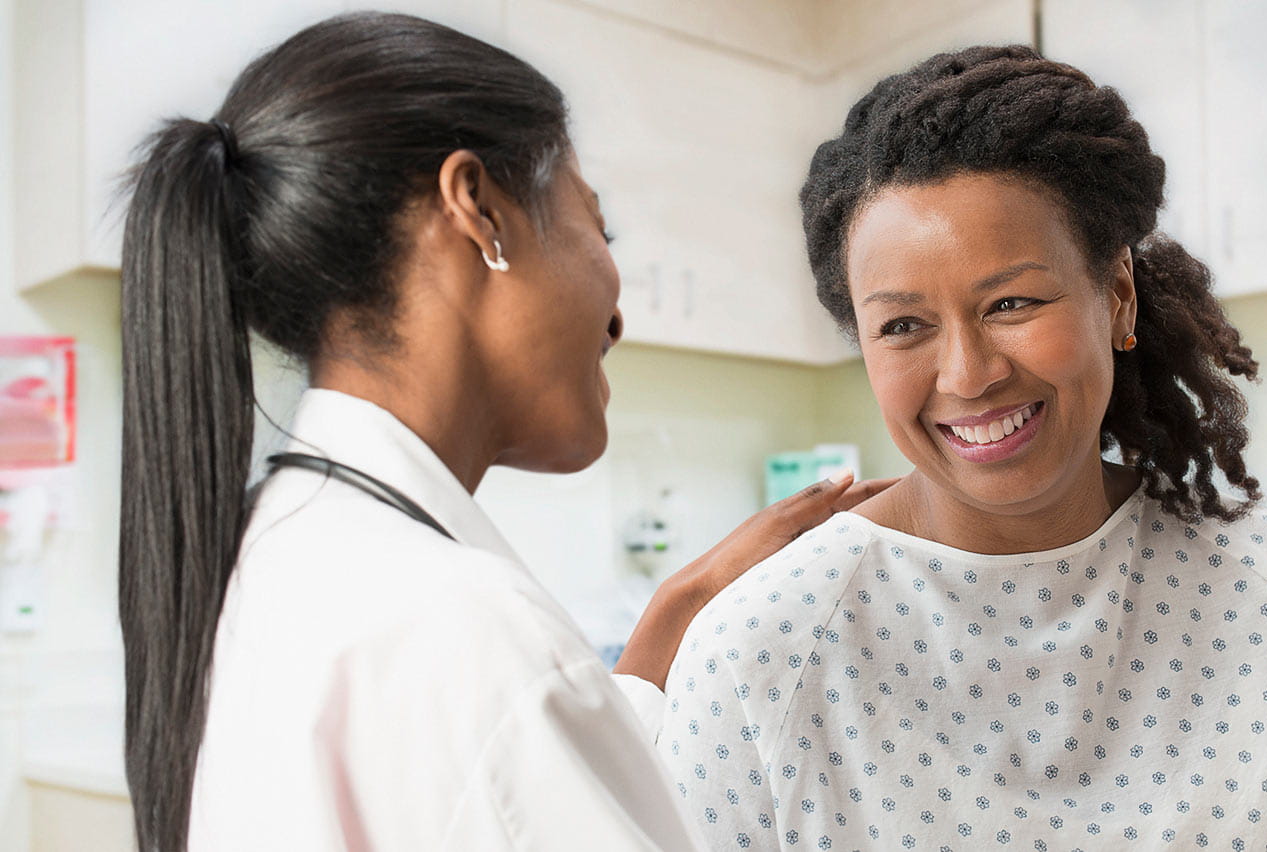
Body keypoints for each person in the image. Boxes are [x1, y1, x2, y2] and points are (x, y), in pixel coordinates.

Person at [656, 46, 1267, 850]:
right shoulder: (760, 653)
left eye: (1012, 304)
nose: (967, 373)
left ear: (1117, 296)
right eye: (904, 325)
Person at [116, 13, 890, 852]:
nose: (617, 314)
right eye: (600, 226)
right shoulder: (463, 633)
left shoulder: (279, 555)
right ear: (477, 209)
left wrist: (678, 614)